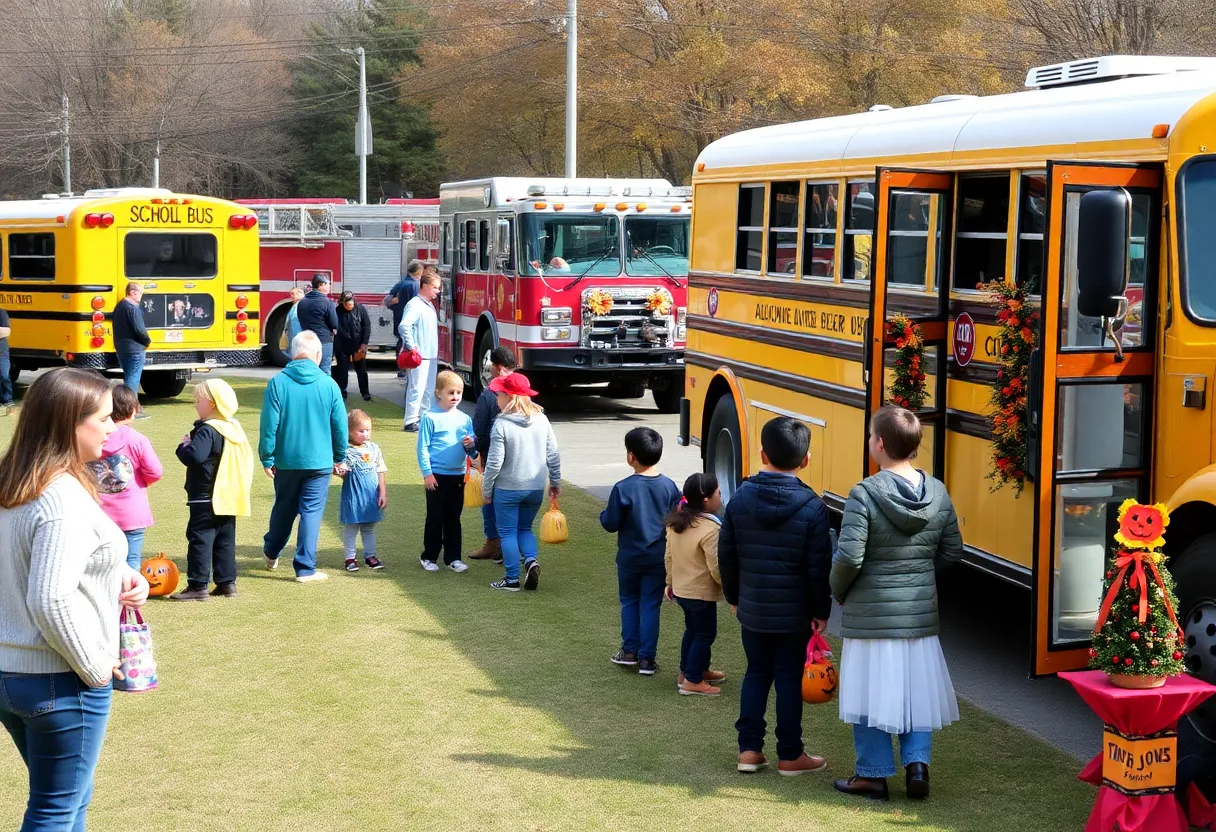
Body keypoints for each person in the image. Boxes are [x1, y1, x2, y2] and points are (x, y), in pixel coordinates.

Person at [0, 368, 149, 830]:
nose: (113, 427)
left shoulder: (16, 483)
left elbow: (32, 560)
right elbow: (50, 599)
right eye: (104, 418)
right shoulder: (60, 498)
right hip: (58, 679)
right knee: (55, 810)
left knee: (69, 802)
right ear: (70, 423)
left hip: (12, 675)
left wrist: (119, 573)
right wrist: (95, 666)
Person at [831, 405, 963, 802]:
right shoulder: (937, 491)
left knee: (869, 693)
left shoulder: (864, 493)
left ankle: (872, 775)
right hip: (918, 615)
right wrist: (919, 578)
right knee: (915, 690)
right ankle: (916, 765)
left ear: (881, 444)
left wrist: (839, 591)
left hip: (871, 614)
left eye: (871, 435)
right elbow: (952, 551)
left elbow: (849, 557)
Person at [719, 416, 833, 776]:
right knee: (787, 678)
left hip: (753, 609)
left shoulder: (738, 499)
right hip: (795, 614)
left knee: (756, 673)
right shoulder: (813, 507)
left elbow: (727, 555)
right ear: (806, 460)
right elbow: (819, 568)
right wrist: (820, 610)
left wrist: (734, 597)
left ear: (761, 453)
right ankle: (790, 754)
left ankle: (749, 750)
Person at [259, 331, 348, 584]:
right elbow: (339, 426)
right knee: (311, 512)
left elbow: (269, 426)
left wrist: (267, 457)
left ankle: (271, 550)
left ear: (292, 352)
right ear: (318, 355)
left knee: (284, 509)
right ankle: (305, 567)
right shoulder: (329, 384)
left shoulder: (278, 382)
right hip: (319, 461)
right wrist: (339, 456)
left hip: (286, 461)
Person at [600, 427, 681, 676]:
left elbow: (610, 523)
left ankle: (630, 650)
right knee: (650, 605)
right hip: (658, 557)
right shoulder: (669, 487)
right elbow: (676, 520)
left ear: (631, 456)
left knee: (629, 601)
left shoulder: (623, 488)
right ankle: (647, 659)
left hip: (629, 557)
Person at [173, 379, 255, 601]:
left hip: (205, 495)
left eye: (197, 400)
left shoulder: (208, 430)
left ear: (211, 403)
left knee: (200, 538)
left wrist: (183, 447)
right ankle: (227, 583)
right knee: (225, 540)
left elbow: (194, 456)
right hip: (229, 495)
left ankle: (198, 586)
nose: (195, 404)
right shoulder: (233, 428)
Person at [482, 372, 560, 592]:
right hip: (534, 487)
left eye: (498, 394)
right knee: (525, 528)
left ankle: (512, 579)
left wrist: (486, 489)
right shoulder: (542, 419)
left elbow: (494, 463)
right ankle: (531, 560)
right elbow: (553, 454)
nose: (496, 399)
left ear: (509, 396)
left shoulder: (501, 424)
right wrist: (554, 481)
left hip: (507, 488)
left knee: (507, 533)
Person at [88, 384, 163, 569]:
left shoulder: (92, 438)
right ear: (133, 410)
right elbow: (155, 471)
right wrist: (142, 481)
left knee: (100, 563)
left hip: (99, 513)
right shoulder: (137, 439)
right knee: (131, 561)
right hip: (132, 513)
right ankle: (129, 597)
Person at [665, 472, 726, 697]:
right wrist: (728, 586)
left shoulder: (676, 522)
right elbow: (716, 567)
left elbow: (668, 556)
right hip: (700, 593)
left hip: (681, 589)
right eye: (718, 493)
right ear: (707, 500)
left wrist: (669, 583)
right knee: (705, 634)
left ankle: (691, 671)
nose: (721, 497)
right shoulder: (711, 530)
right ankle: (692, 679)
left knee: (693, 630)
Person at [417, 371, 478, 573]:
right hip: (436, 475)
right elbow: (422, 448)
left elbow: (473, 451)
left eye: (459, 392)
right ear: (438, 393)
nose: (455, 396)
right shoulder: (430, 417)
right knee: (435, 516)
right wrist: (427, 473)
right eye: (451, 392)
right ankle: (429, 556)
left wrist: (471, 446)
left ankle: (453, 557)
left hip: (458, 475)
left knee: (454, 517)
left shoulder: (465, 419)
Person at [469, 346, 517, 562]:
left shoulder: (489, 395)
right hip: (520, 463)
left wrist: (473, 451)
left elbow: (479, 431)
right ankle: (514, 547)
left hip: (492, 458)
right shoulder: (523, 391)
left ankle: (493, 543)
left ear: (497, 367)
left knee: (489, 500)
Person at [338, 409, 387, 572]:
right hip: (353, 496)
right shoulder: (345, 451)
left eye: (368, 430)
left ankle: (370, 556)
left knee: (369, 528)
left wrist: (382, 493)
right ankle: (350, 558)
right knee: (351, 528)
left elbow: (380, 470)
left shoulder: (374, 448)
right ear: (350, 431)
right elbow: (342, 471)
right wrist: (339, 471)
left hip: (371, 497)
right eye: (361, 431)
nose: (366, 434)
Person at [399, 271, 441, 432]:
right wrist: (412, 346)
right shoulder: (415, 304)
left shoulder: (427, 304)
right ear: (425, 286)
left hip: (429, 354)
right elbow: (404, 326)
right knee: (417, 388)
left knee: (428, 389)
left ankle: (424, 417)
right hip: (421, 355)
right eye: (435, 288)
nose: (437, 291)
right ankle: (411, 419)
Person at [111, 281, 151, 417]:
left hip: (121, 347)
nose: (141, 296)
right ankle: (131, 408)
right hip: (134, 348)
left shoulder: (119, 306)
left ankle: (130, 406)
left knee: (129, 376)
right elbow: (139, 329)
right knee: (133, 378)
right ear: (133, 292)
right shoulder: (132, 308)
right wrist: (147, 341)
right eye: (140, 293)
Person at [386, 260, 423, 376]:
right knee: (408, 343)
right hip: (410, 320)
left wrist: (394, 303)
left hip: (399, 317)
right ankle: (406, 367)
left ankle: (401, 367)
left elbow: (387, 300)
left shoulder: (401, 284)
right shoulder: (415, 285)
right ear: (418, 271)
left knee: (401, 342)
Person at [333, 290, 372, 402]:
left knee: (361, 370)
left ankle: (365, 392)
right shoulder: (337, 311)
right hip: (342, 345)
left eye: (351, 304)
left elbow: (366, 326)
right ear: (343, 303)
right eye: (347, 304)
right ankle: (342, 391)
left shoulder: (361, 309)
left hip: (358, 345)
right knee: (342, 371)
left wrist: (364, 343)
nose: (349, 306)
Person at [295, 273, 339, 370]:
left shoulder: (302, 302)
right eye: (328, 284)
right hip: (323, 341)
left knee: (309, 370)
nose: (330, 286)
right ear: (321, 285)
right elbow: (335, 324)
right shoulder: (328, 303)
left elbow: (300, 318)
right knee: (324, 370)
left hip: (306, 341)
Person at [0, 305, 13, 411]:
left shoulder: (2, 313)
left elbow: (6, 331)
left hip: (1, 350)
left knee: (4, 375)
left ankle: (7, 399)